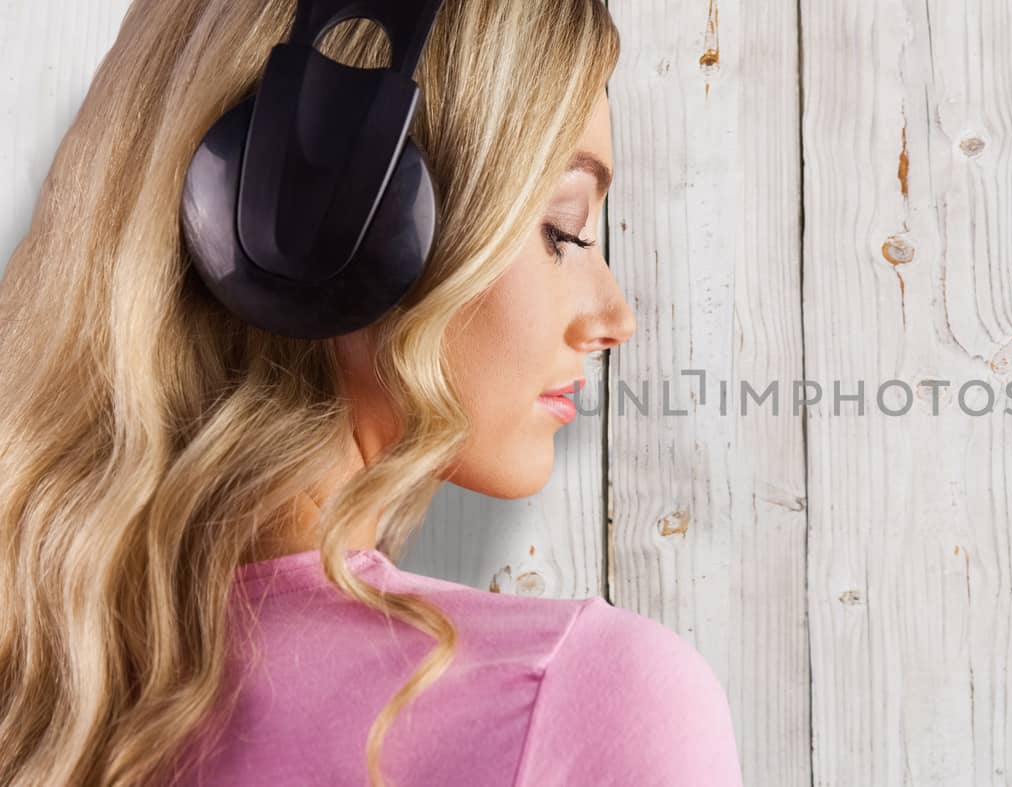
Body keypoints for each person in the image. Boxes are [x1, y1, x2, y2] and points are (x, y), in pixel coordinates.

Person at [0, 1, 744, 785]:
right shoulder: (586, 699)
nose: (615, 316)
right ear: (320, 219)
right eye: (565, 227)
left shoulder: (39, 686)